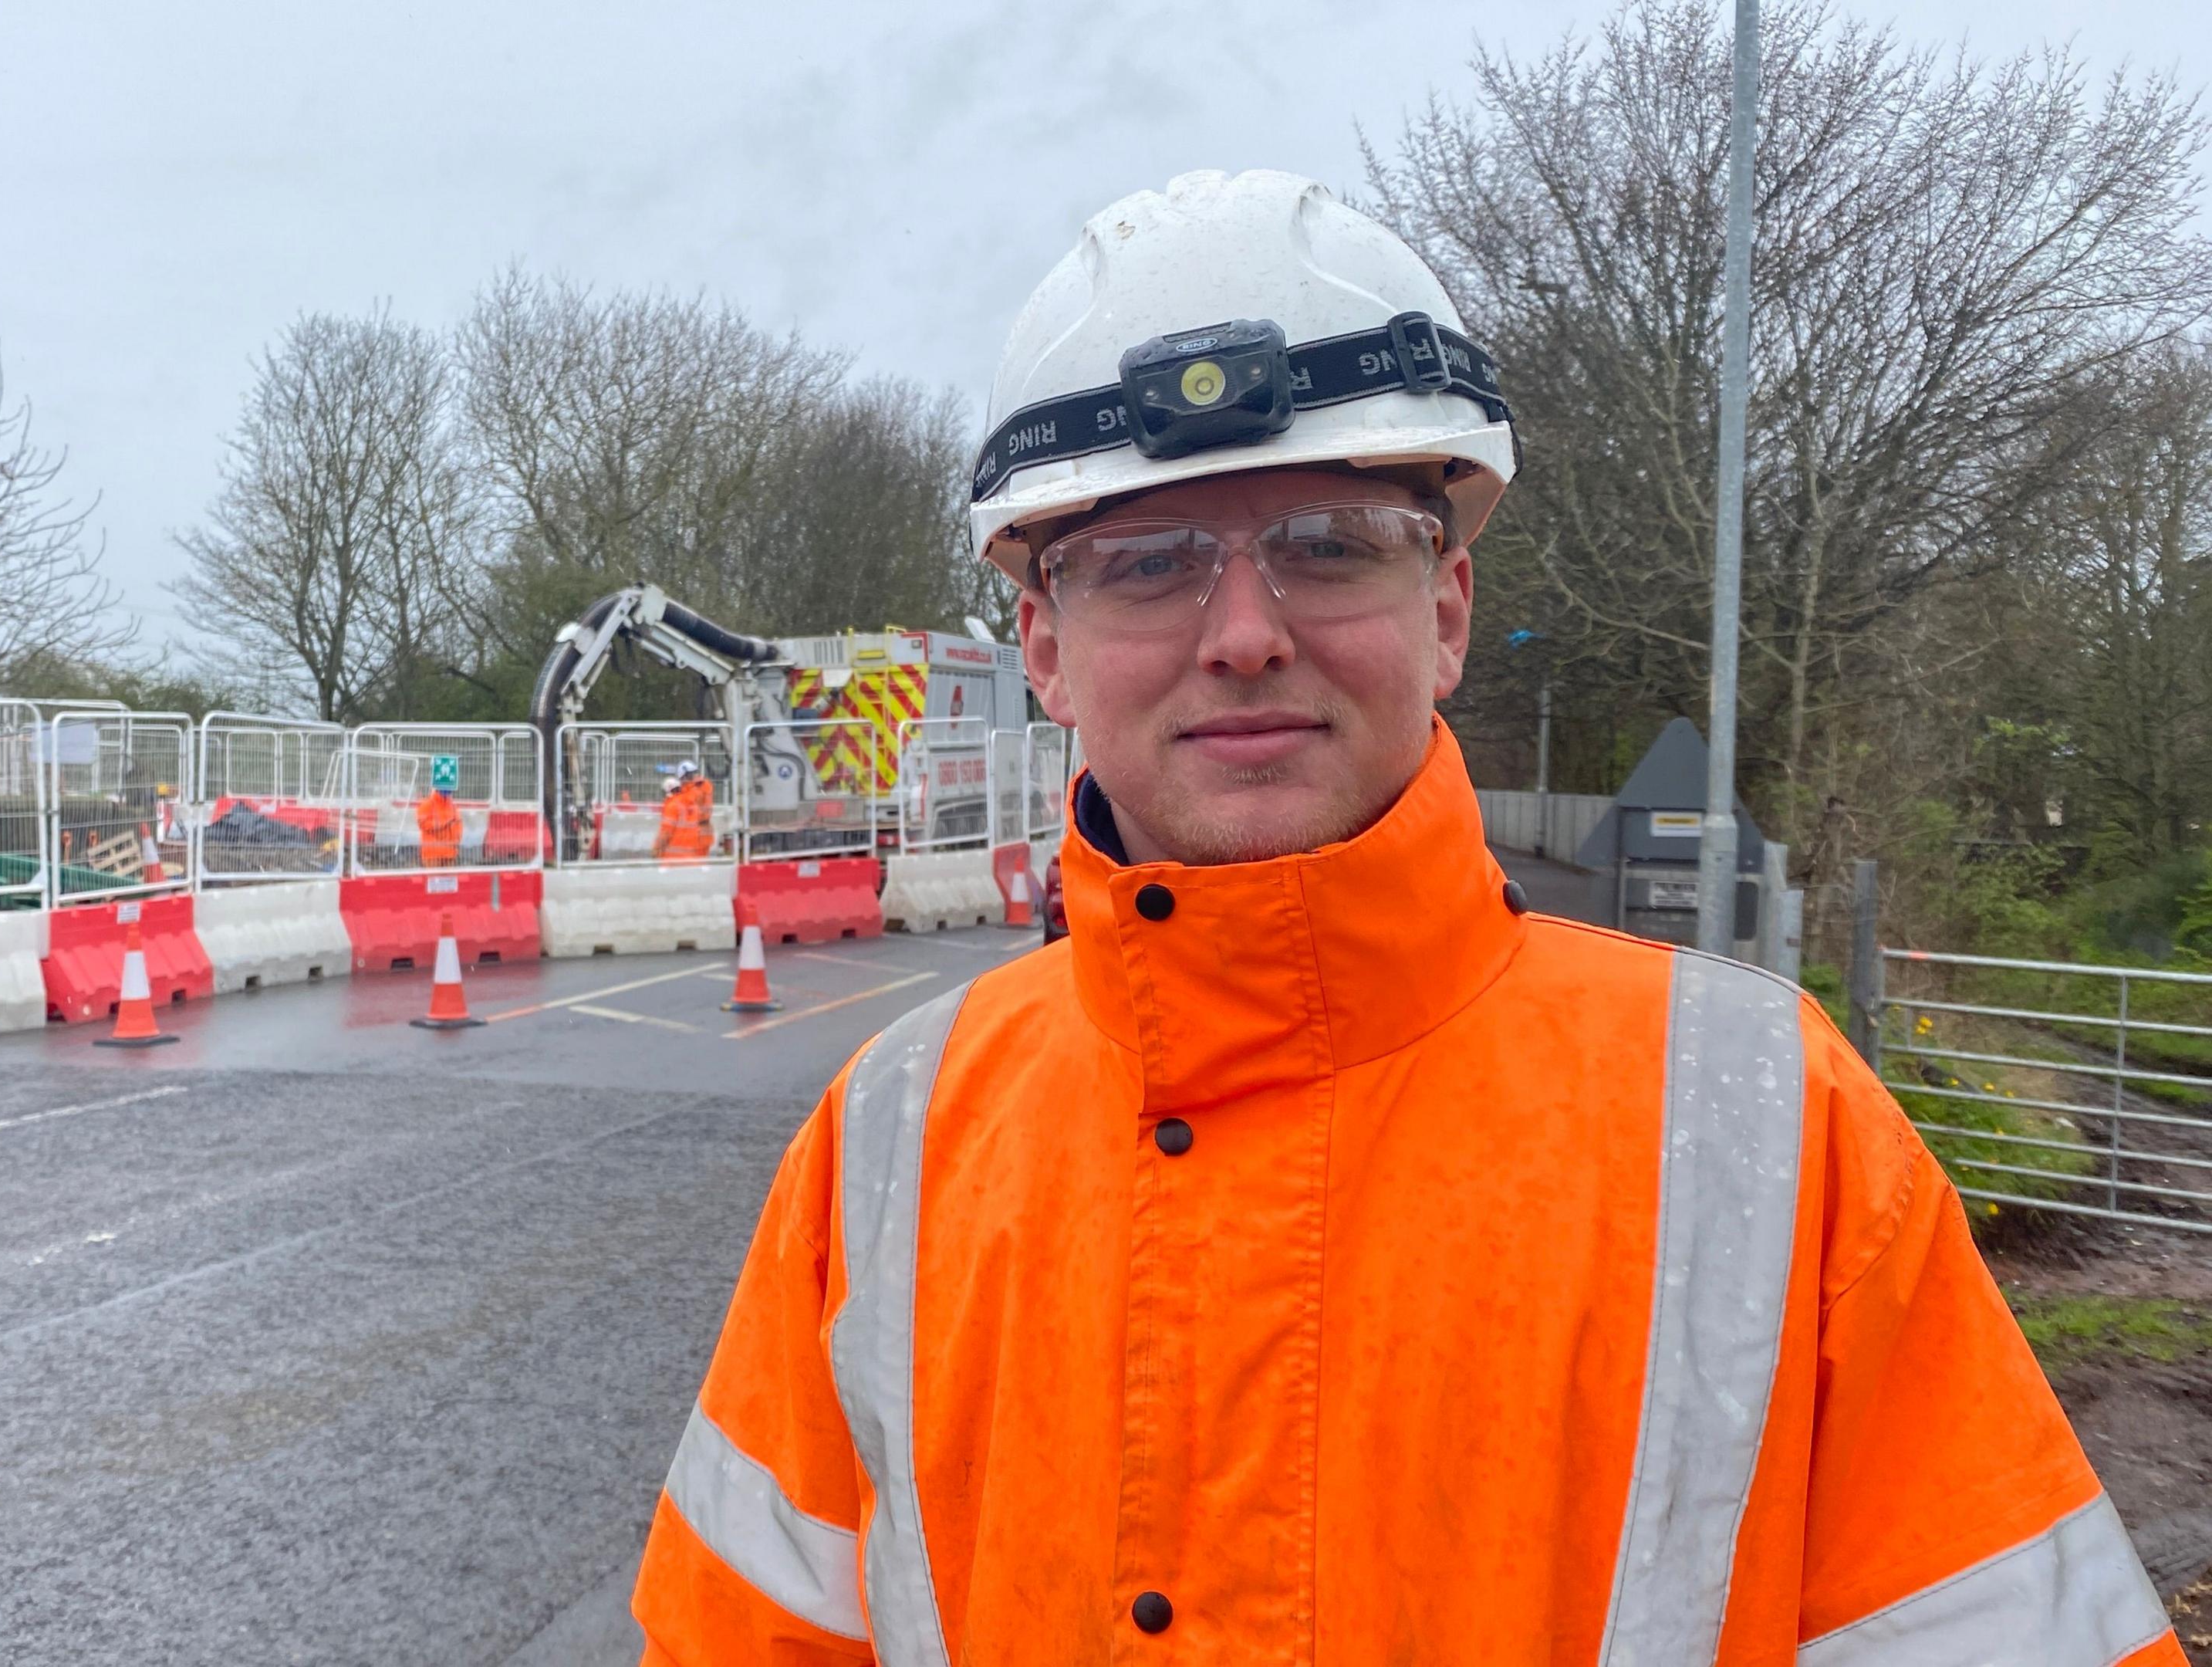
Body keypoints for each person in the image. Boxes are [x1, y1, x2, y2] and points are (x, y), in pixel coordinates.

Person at [630, 170, 2180, 1665]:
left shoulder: (1777, 1137)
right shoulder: (886, 1149)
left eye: (1325, 547)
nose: (1243, 635)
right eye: (1148, 565)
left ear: (1443, 614)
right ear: (1044, 643)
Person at [657, 762, 716, 863]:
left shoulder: (690, 793)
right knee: (698, 865)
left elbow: (667, 829)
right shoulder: (704, 786)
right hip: (705, 833)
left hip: (696, 835)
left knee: (693, 864)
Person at [414, 775, 461, 870]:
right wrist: (445, 823)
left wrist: (456, 841)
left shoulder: (452, 806)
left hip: (449, 853)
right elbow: (423, 824)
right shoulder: (427, 805)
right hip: (433, 854)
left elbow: (458, 824)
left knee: (449, 882)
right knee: (434, 882)